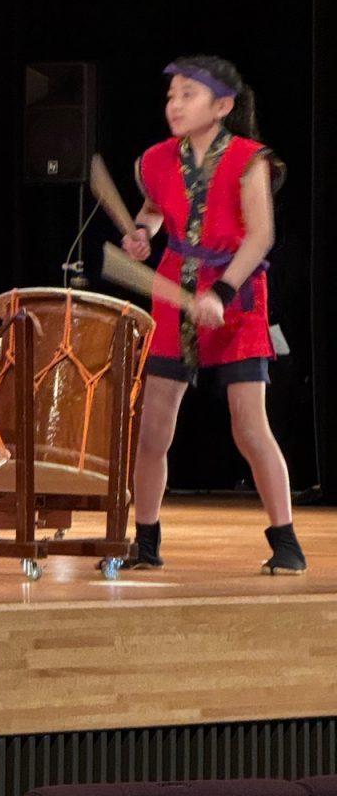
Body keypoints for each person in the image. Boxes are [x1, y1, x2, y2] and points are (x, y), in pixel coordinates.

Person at [120, 54, 306, 575]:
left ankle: (286, 542)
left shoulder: (250, 159)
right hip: (174, 293)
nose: (174, 105)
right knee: (153, 430)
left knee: (249, 426)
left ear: (222, 106)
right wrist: (142, 233)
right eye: (171, 95)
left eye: (188, 95)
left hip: (237, 294)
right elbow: (154, 208)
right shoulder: (156, 159)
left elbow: (261, 236)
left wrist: (221, 293)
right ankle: (146, 541)